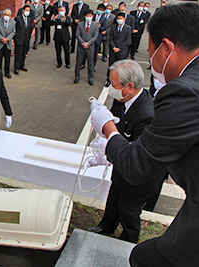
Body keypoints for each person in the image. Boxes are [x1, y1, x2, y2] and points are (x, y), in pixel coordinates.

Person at [90, 4, 199, 266]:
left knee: (143, 257)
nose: (152, 63)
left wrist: (108, 130)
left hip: (149, 183)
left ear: (166, 48)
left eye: (151, 54)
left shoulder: (183, 92)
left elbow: (138, 163)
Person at [87, 60, 166, 244]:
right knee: (113, 198)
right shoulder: (122, 99)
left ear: (129, 87)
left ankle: (128, 240)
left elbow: (136, 152)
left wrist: (108, 144)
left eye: (113, 85)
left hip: (141, 173)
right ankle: (107, 225)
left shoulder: (147, 114)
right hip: (122, 164)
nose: (110, 89)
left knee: (128, 209)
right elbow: (117, 123)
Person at [105, 12, 132, 87]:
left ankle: (120, 80)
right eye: (118, 18)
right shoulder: (113, 27)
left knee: (121, 67)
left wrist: (119, 48)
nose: (119, 20)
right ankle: (109, 79)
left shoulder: (128, 28)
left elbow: (128, 40)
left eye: (121, 18)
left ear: (124, 19)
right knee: (111, 66)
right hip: (113, 50)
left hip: (122, 51)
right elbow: (110, 38)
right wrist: (114, 47)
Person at [74, 10, 98, 86]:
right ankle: (77, 76)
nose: (88, 17)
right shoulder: (80, 24)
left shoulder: (95, 25)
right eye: (87, 15)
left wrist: (88, 43)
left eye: (90, 16)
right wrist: (83, 43)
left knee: (90, 63)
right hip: (81, 46)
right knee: (78, 62)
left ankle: (90, 78)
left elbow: (95, 36)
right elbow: (77, 35)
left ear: (92, 16)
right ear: (84, 16)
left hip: (90, 47)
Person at [0, 8, 16, 79]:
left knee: (7, 59)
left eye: (8, 15)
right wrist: (2, 38)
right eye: (5, 14)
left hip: (8, 44)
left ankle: (7, 72)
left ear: (10, 15)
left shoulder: (13, 22)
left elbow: (13, 32)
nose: (6, 16)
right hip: (0, 43)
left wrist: (7, 39)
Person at [14, 5, 32, 75]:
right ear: (23, 10)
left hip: (26, 39)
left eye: (29, 10)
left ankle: (22, 65)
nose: (27, 12)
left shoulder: (29, 19)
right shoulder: (18, 18)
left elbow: (30, 28)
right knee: (18, 54)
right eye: (26, 10)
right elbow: (15, 29)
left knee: (23, 53)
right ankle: (16, 68)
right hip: (19, 39)